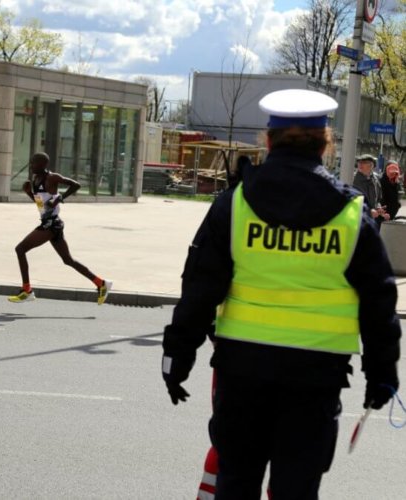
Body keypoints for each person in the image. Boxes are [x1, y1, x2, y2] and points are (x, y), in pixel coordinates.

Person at [162, 89, 401, 499]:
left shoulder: (233, 204)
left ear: (268, 141)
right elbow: (379, 302)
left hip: (241, 374)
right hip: (315, 380)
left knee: (235, 484)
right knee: (296, 490)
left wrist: (177, 356)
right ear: (326, 144)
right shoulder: (350, 215)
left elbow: (200, 287)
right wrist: (382, 374)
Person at [8, 152, 112, 305]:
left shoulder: (52, 177)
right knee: (68, 260)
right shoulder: (36, 180)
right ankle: (101, 283)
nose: (31, 166)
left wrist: (59, 199)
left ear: (43, 165)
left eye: (34, 163)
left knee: (20, 249)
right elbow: (42, 206)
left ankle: (27, 290)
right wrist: (30, 193)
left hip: (51, 224)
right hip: (49, 222)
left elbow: (76, 185)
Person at [353, 154, 389, 226]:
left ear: (371, 165)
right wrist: (369, 211)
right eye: (359, 162)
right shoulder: (352, 178)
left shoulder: (375, 179)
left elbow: (378, 199)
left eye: (364, 162)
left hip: (371, 221)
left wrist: (379, 209)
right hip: (357, 219)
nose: (360, 164)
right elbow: (352, 200)